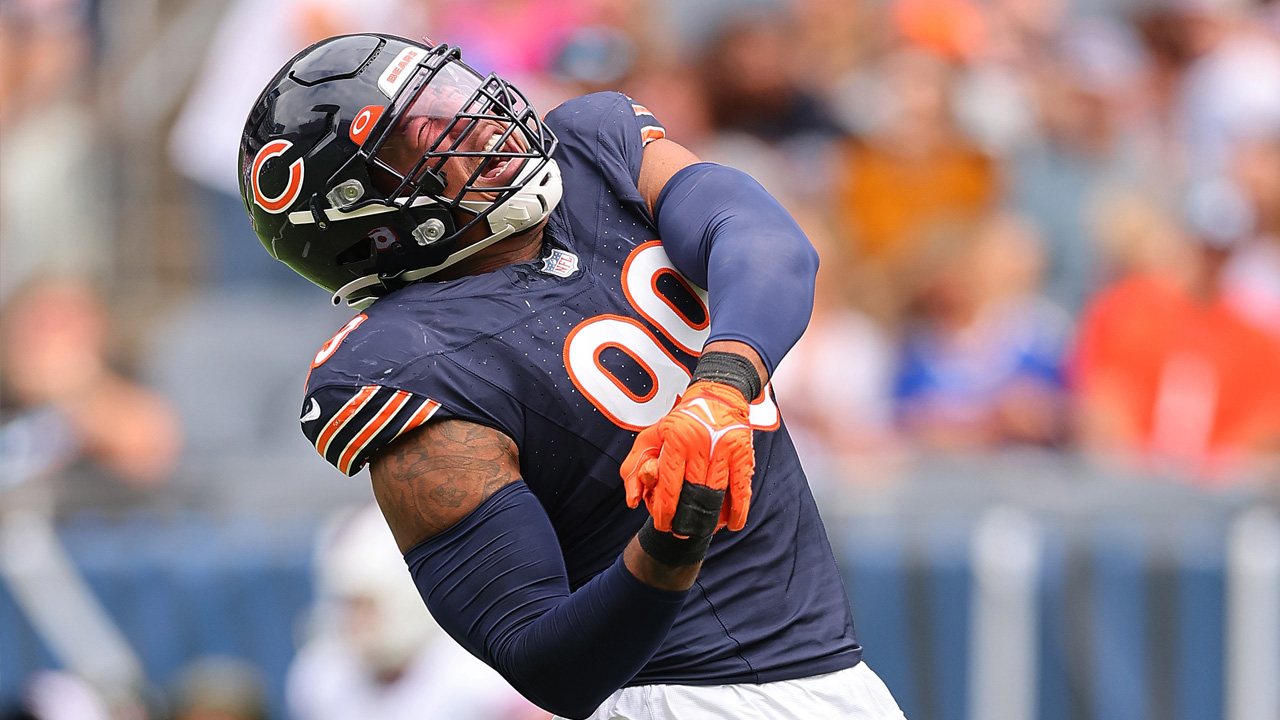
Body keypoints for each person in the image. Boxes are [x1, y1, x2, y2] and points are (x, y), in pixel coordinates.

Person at [238, 34, 905, 720]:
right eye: (425, 131)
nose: (476, 121)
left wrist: (720, 388)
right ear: (366, 215)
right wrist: (674, 539)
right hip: (674, 702)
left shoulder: (593, 149)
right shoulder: (406, 361)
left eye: (451, 96)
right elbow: (547, 662)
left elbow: (765, 239)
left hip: (840, 679)